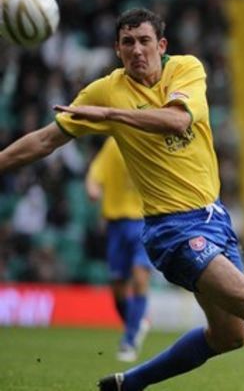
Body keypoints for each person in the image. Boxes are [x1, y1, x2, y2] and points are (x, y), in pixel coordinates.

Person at [0, 8, 244, 391]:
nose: (137, 50)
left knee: (229, 336)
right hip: (172, 229)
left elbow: (177, 120)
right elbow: (44, 140)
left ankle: (129, 384)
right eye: (127, 43)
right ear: (117, 50)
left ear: (162, 45)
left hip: (214, 219)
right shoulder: (106, 89)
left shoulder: (186, 70)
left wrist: (110, 114)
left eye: (144, 41)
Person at [86, 137, 152, 362]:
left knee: (140, 277)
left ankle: (129, 341)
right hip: (116, 225)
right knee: (117, 288)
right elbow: (95, 172)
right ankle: (136, 323)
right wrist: (93, 188)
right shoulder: (113, 144)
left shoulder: (151, 142)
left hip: (145, 221)